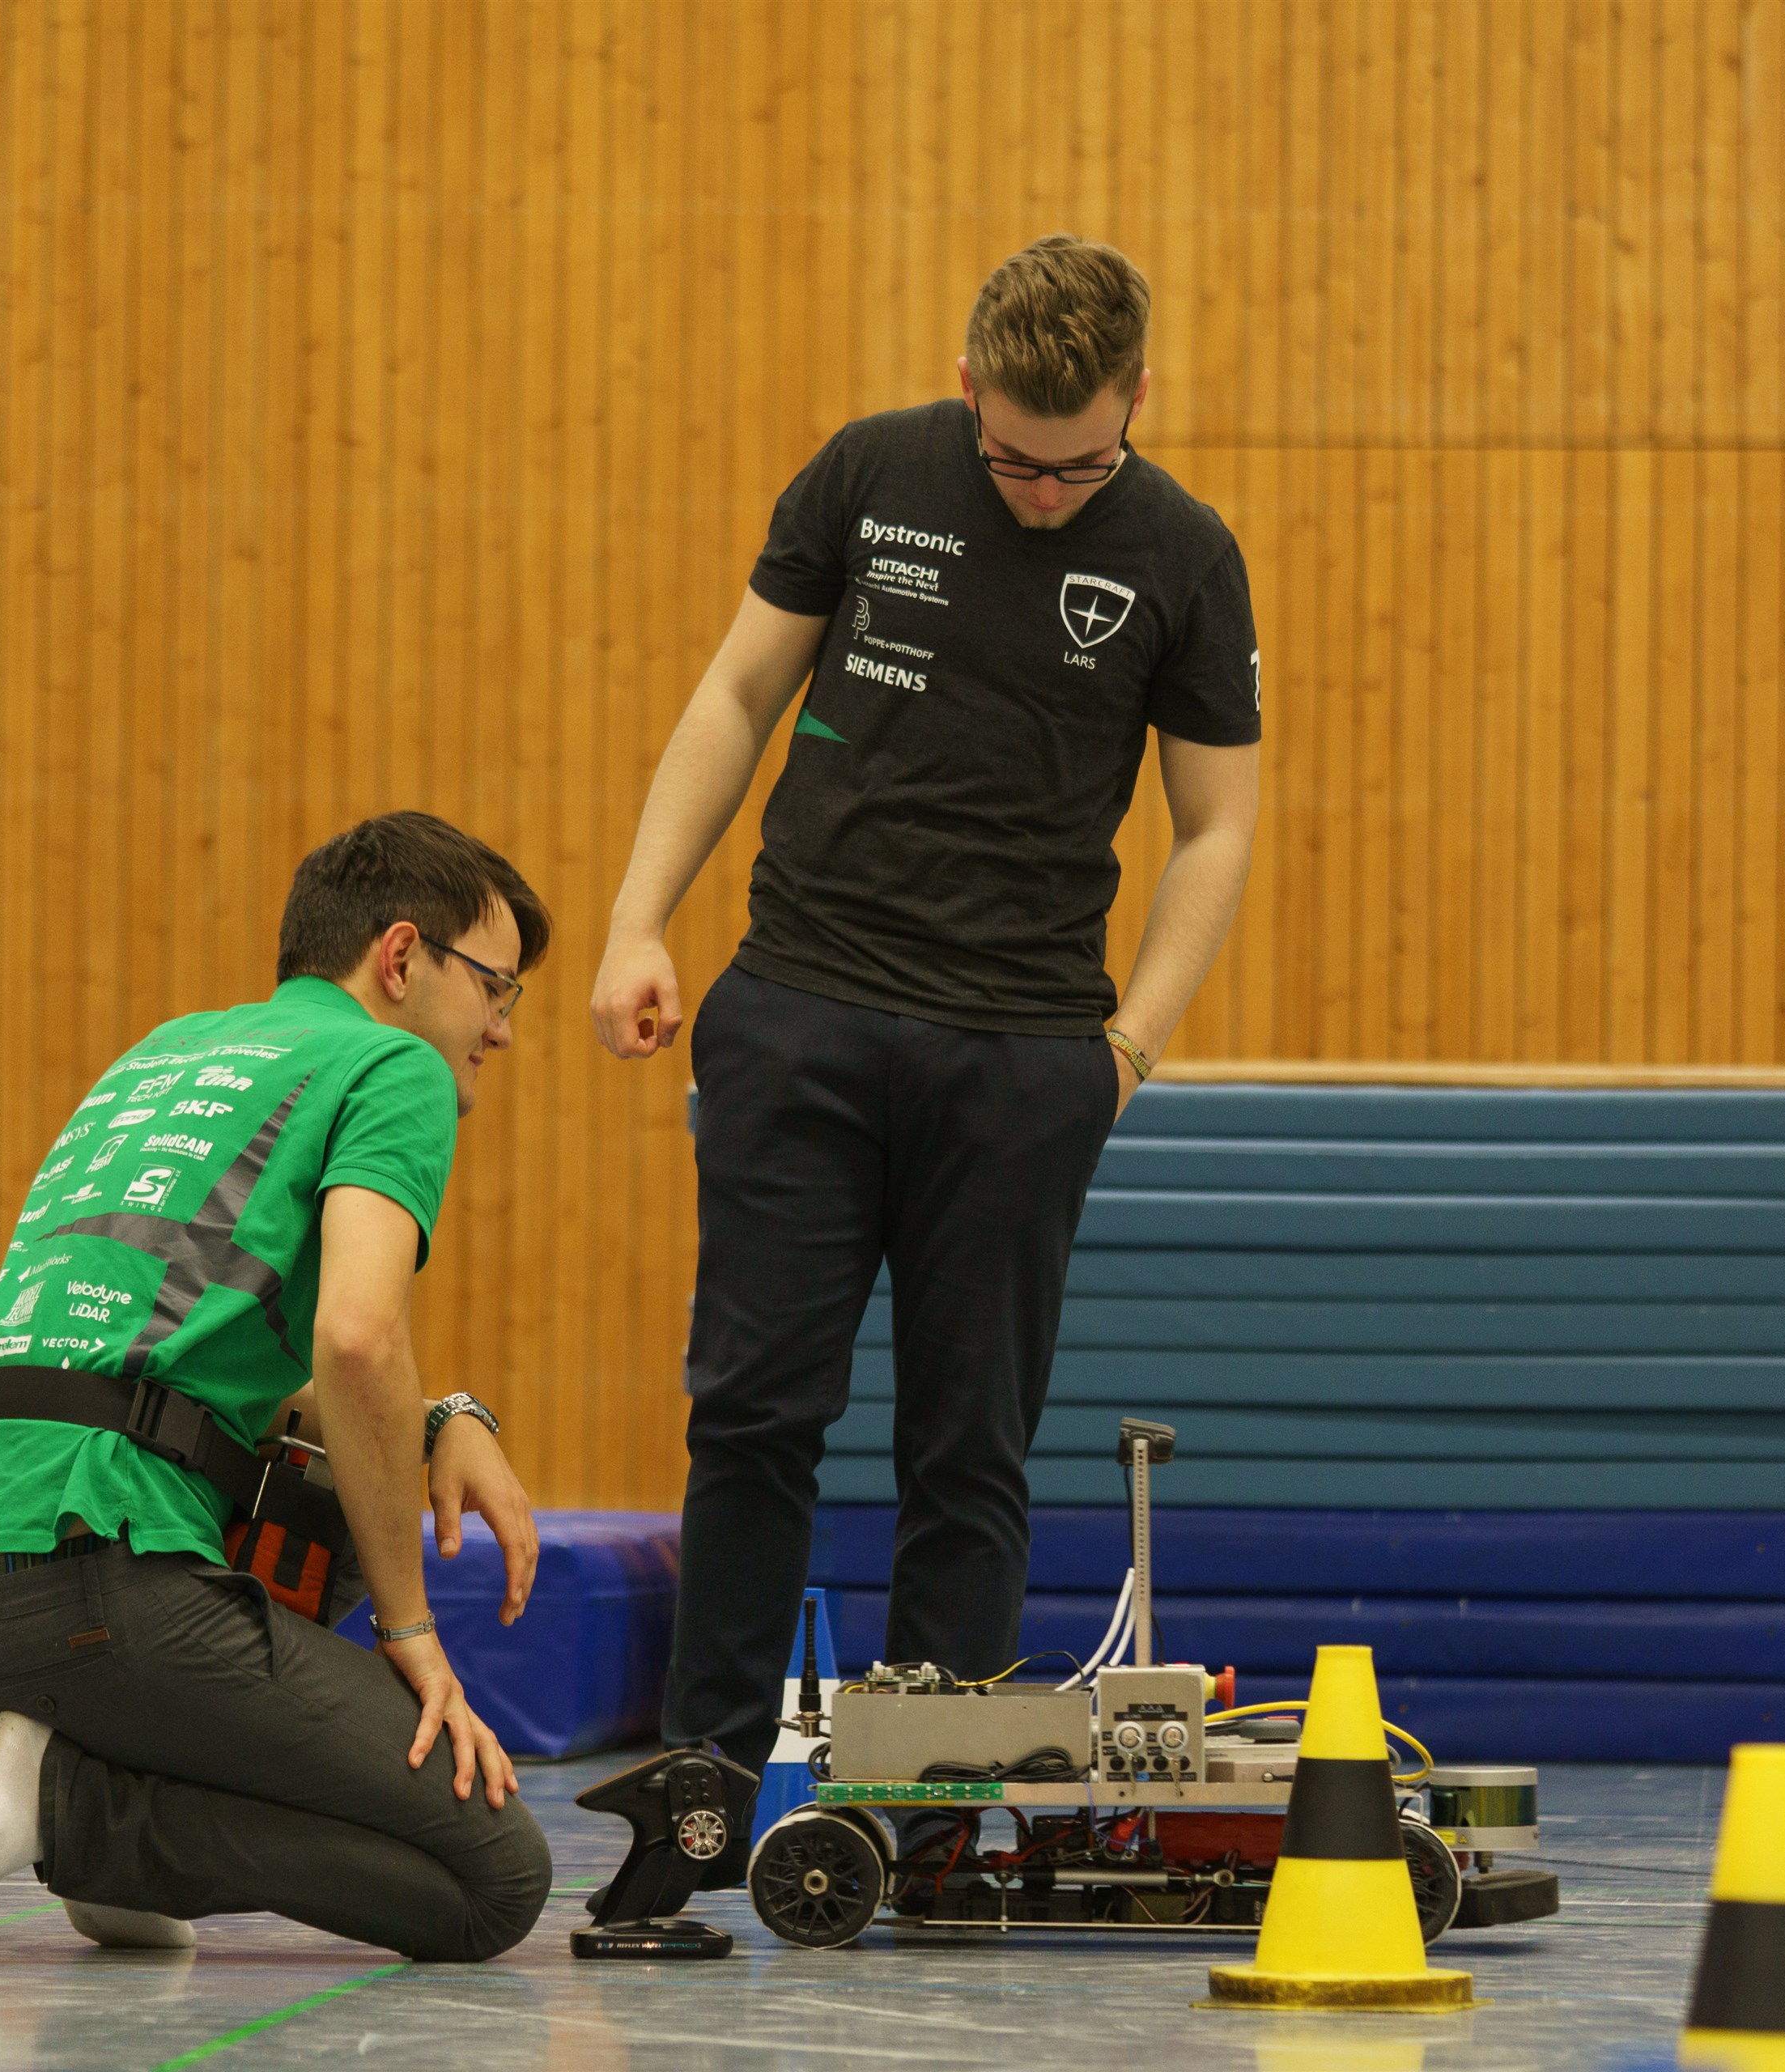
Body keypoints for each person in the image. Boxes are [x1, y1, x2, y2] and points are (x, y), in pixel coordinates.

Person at [589, 235, 1264, 1859]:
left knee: (970, 1448)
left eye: (1080, 464)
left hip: (1022, 1056)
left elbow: (1218, 824)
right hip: (804, 1013)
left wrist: (1129, 1048)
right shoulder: (871, 472)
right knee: (754, 1412)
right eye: (1016, 460)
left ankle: (926, 1818)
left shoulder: (1184, 552)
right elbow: (737, 695)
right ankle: (700, 1794)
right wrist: (637, 920)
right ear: (967, 392)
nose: (1045, 494)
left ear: (1140, 400)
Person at [0, 811, 557, 1965]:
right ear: (401, 958)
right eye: (495, 988)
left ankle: (96, 1830)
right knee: (495, 1881)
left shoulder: (167, 1053)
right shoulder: (394, 1066)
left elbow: (188, 1372)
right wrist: (411, 1631)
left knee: (337, 1452)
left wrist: (446, 1418)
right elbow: (357, 1343)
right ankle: (74, 1814)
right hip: (102, 1582)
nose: (500, 1028)